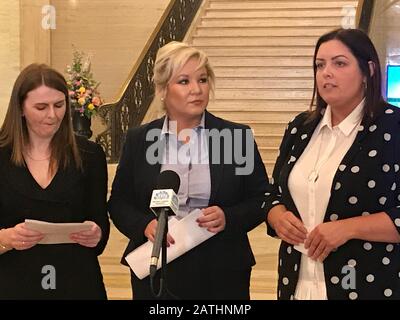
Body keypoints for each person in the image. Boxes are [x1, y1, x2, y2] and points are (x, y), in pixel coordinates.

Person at [108, 41, 271, 299]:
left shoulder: (235, 137)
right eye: (184, 81)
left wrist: (228, 217)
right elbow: (119, 202)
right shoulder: (140, 139)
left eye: (203, 80)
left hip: (222, 269)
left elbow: (262, 199)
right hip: (158, 267)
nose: (196, 90)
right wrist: (145, 225)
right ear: (162, 89)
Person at [265, 28, 400, 300]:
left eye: (339, 63)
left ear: (368, 70)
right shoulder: (300, 128)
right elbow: (272, 194)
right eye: (319, 65)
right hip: (298, 280)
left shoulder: (393, 126)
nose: (326, 73)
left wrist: (348, 228)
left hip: (365, 282)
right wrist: (277, 216)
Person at [0, 64, 110, 299]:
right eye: (41, 107)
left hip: (77, 283)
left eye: (59, 105)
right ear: (20, 108)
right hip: (12, 282)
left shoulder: (90, 155)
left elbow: (100, 220)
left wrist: (96, 233)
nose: (52, 115)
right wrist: (6, 238)